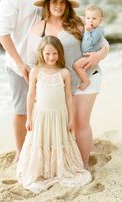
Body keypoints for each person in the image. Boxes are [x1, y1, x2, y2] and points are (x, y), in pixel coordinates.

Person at [27, 0, 109, 169]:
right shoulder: (37, 30)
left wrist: (98, 56)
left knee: (80, 122)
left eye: (62, 2)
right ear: (47, 4)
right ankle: (66, 162)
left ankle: (84, 166)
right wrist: (38, 91)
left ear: (67, 5)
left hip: (87, 79)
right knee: (62, 126)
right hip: (57, 86)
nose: (58, 6)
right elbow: (33, 63)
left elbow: (105, 44)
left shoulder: (79, 22)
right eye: (54, 2)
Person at [16, 35, 91, 193]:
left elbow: (68, 97)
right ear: (41, 53)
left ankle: (59, 169)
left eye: (55, 53)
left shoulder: (64, 73)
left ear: (60, 54)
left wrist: (71, 119)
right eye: (48, 53)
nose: (51, 57)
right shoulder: (36, 71)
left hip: (59, 116)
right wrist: (29, 118)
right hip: (41, 116)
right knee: (41, 142)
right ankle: (43, 170)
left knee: (58, 141)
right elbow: (30, 95)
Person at [0, 0, 49, 161]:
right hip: (20, 64)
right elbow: (2, 32)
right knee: (21, 110)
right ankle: (20, 152)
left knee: (44, 107)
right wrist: (19, 63)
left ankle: (39, 147)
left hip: (46, 63)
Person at [73, 4, 104, 90]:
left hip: (89, 56)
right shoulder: (91, 29)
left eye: (94, 18)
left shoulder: (98, 31)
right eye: (88, 18)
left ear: (100, 20)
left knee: (76, 65)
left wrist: (86, 31)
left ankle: (86, 81)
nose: (91, 21)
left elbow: (90, 42)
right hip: (86, 54)